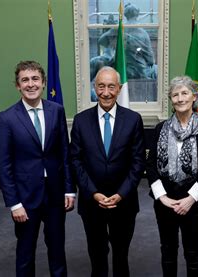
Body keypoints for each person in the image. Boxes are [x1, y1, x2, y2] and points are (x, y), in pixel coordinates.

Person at [0, 60, 75, 277]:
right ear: (18, 86)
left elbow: (64, 152)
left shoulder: (56, 111)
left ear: (43, 82)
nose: (31, 84)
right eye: (25, 80)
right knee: (25, 252)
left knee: (58, 250)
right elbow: (3, 164)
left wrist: (69, 189)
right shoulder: (7, 118)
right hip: (25, 198)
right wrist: (14, 203)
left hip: (56, 195)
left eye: (35, 79)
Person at [69, 66, 145, 277]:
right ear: (95, 88)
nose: (106, 92)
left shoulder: (133, 119)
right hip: (92, 202)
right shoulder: (81, 120)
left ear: (119, 89)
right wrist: (93, 193)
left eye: (111, 86)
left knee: (121, 255)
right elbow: (75, 160)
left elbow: (138, 162)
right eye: (101, 86)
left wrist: (120, 194)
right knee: (97, 254)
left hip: (124, 202)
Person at [146, 76, 198, 276]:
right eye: (175, 94)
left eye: (184, 93)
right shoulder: (160, 129)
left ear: (194, 97)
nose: (179, 98)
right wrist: (162, 197)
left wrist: (190, 199)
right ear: (171, 99)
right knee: (168, 251)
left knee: (193, 253)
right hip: (165, 203)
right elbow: (150, 166)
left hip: (194, 203)